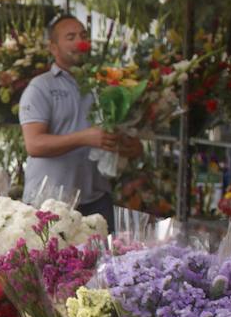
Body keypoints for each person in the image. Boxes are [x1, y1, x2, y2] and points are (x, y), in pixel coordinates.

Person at [19, 14, 142, 231]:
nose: (80, 42)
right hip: (49, 202)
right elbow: (34, 145)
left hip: (95, 198)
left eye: (83, 35)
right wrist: (85, 138)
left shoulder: (106, 84)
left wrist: (130, 146)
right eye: (71, 37)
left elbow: (123, 137)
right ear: (53, 47)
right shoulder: (40, 87)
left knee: (101, 262)